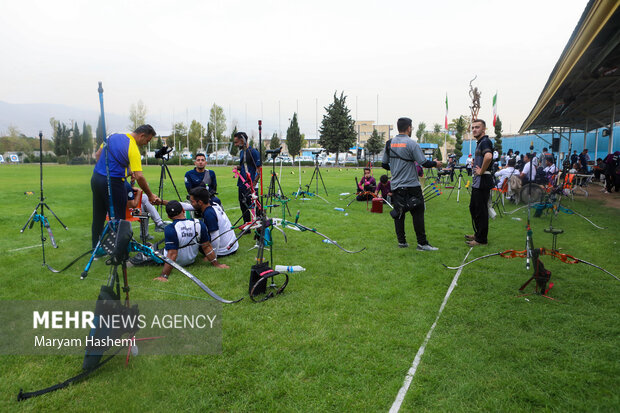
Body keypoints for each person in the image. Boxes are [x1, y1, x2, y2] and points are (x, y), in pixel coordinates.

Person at [91, 124, 161, 249]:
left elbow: (98, 154)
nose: (146, 143)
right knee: (119, 219)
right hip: (114, 182)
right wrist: (150, 195)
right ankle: (119, 251)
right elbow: (139, 176)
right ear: (142, 135)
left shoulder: (112, 136)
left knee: (98, 215)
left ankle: (96, 249)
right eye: (147, 140)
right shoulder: (133, 147)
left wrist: (117, 170)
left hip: (96, 178)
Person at [382, 117, 442, 250]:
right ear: (409, 128)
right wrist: (436, 164)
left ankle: (402, 242)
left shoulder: (389, 143)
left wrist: (396, 169)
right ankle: (422, 243)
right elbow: (423, 162)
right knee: (418, 212)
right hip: (412, 185)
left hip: (396, 185)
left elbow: (384, 164)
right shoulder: (412, 143)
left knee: (399, 212)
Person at [153, 201, 228, 282]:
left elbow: (172, 254)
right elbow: (207, 246)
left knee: (144, 255)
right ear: (183, 210)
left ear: (168, 216)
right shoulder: (199, 224)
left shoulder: (170, 228)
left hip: (173, 261)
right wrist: (217, 264)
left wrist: (164, 276)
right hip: (191, 260)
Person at [465, 119, 493, 247]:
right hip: (478, 182)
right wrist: (476, 163)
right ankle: (478, 234)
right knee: (474, 208)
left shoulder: (485, 141)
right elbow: (483, 158)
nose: (474, 129)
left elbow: (488, 157)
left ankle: (482, 239)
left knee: (481, 210)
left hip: (483, 182)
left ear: (483, 129)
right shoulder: (480, 142)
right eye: (473, 127)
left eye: (477, 127)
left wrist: (481, 170)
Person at [189, 187, 239, 257]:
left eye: (192, 201)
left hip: (223, 251)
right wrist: (170, 204)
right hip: (233, 246)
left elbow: (215, 237)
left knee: (195, 237)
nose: (191, 204)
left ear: (200, 202)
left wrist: (212, 256)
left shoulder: (209, 214)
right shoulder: (213, 204)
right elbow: (190, 206)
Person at [233, 132, 261, 225]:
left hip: (251, 185)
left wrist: (253, 184)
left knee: (255, 206)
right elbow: (245, 166)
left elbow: (259, 170)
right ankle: (246, 225)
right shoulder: (241, 153)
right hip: (241, 184)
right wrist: (238, 168)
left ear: (242, 141)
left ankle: (260, 225)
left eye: (236, 142)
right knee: (243, 205)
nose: (235, 145)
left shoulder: (254, 152)